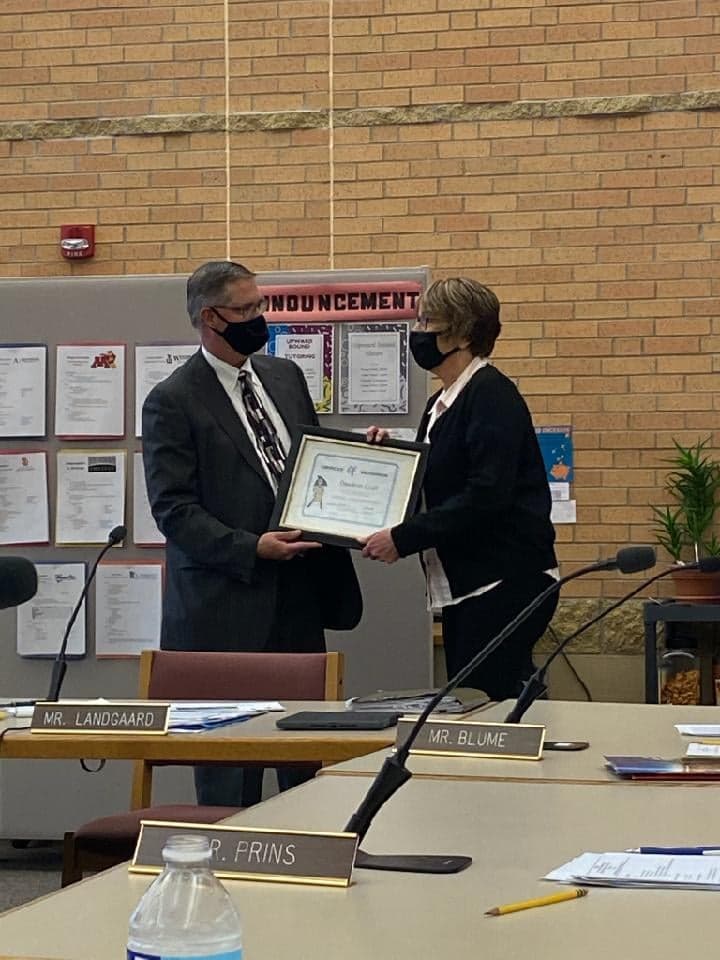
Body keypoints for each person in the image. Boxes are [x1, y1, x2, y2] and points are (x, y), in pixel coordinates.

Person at [142, 260, 362, 806]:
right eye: (246, 310)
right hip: (224, 609)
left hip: (299, 600)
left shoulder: (284, 376)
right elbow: (173, 510)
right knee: (230, 778)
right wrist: (252, 547)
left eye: (260, 306)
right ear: (211, 318)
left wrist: (363, 451)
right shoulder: (173, 399)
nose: (259, 318)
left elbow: (311, 460)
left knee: (304, 769)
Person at [360, 277, 557, 701]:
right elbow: (442, 471)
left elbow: (487, 494)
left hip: (502, 583)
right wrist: (390, 454)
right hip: (467, 586)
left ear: (464, 334)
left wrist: (402, 538)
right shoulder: (442, 401)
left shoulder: (490, 394)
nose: (418, 331)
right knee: (473, 700)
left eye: (429, 321)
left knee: (484, 706)